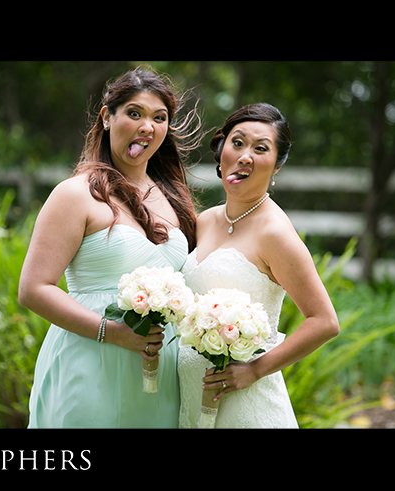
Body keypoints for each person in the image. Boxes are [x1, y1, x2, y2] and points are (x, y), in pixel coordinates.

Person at [18, 67, 202, 427]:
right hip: (90, 362)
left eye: (159, 118)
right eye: (135, 113)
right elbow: (33, 289)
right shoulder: (75, 194)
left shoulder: (173, 198)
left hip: (159, 375)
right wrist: (111, 331)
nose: (147, 127)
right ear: (107, 117)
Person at [177, 103, 340, 428]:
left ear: (277, 165)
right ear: (222, 148)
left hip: (247, 408)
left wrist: (255, 369)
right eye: (237, 142)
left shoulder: (275, 233)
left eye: (261, 148)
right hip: (193, 402)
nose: (245, 155)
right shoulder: (205, 221)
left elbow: (324, 321)